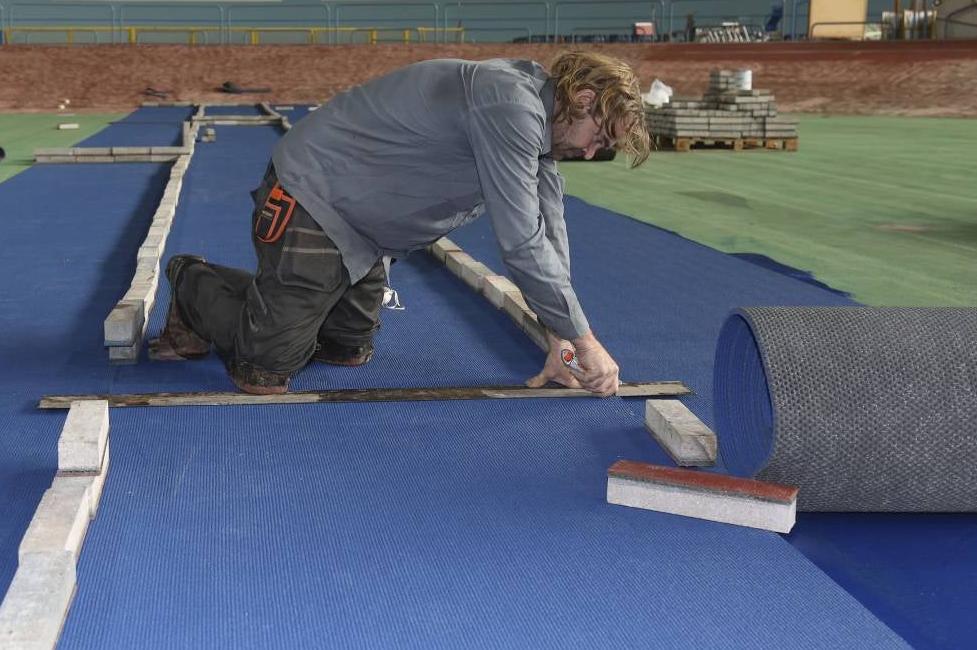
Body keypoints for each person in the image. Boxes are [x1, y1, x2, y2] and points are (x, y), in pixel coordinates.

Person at [157, 52, 651, 397]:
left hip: (365, 233)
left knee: (346, 349)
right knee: (263, 370)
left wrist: (561, 338)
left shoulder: (543, 130)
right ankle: (191, 280)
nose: (590, 152)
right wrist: (588, 343)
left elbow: (550, 235)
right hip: (316, 194)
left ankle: (284, 301)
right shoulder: (511, 105)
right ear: (583, 98)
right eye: (597, 138)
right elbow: (521, 243)